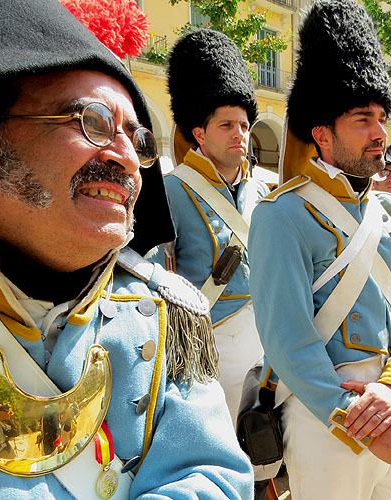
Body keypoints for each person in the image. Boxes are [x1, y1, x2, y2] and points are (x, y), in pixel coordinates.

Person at [0, 1, 253, 498]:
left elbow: (212, 474)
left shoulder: (168, 314)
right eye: (92, 121)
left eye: (137, 138)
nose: (128, 158)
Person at [248, 1, 391, 498]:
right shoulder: (281, 215)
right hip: (328, 419)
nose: (381, 133)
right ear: (322, 133)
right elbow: (289, 341)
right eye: (363, 119)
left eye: (381, 118)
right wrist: (361, 422)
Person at [150, 28, 267, 423]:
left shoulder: (263, 191)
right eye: (226, 125)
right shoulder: (170, 190)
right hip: (208, 339)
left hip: (268, 335)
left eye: (244, 125)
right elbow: (153, 276)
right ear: (199, 134)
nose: (240, 134)